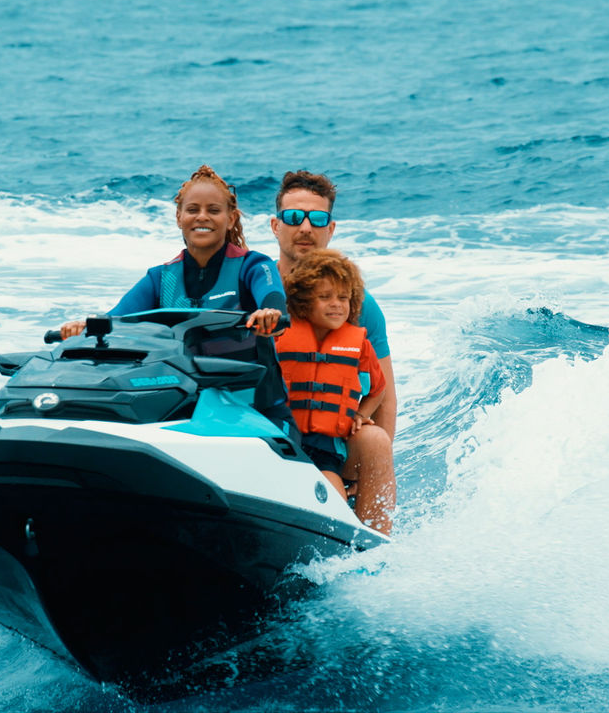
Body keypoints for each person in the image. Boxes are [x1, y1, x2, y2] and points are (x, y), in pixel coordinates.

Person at [60, 164, 294, 432]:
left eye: (213, 210)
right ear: (179, 217)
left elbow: (272, 295)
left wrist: (271, 313)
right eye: (193, 210)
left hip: (255, 408)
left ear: (230, 218)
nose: (202, 217)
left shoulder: (252, 266)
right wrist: (83, 328)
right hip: (185, 406)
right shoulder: (161, 278)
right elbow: (116, 319)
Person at [270, 170, 397, 530]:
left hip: (327, 440)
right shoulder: (256, 288)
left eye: (318, 218)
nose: (306, 227)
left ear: (332, 228)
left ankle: (372, 554)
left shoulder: (358, 305)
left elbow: (384, 393)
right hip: (268, 428)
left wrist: (369, 466)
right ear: (276, 226)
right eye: (294, 217)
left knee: (374, 440)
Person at [278, 249, 393, 534]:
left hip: (325, 450)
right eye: (325, 297)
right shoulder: (279, 336)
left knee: (334, 503)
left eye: (343, 298)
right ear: (303, 301)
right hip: (281, 442)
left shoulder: (359, 344)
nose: (336, 305)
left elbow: (378, 390)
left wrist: (361, 414)